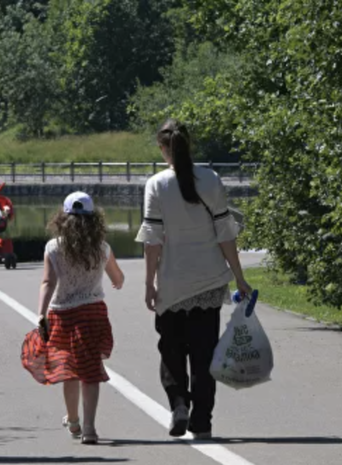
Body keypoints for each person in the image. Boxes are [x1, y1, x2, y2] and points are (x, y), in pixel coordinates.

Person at [136, 119, 252, 440]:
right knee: (204, 356)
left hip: (172, 284)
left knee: (171, 350)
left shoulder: (156, 185)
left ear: (163, 149)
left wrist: (149, 283)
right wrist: (239, 277)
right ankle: (202, 421)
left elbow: (153, 240)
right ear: (190, 144)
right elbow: (225, 234)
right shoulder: (211, 179)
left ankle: (178, 405)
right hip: (209, 282)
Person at [21, 192, 125, 445]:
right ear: (94, 220)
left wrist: (41, 314)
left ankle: (74, 420)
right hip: (93, 314)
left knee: (69, 370)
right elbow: (118, 279)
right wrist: (114, 282)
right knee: (90, 370)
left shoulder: (53, 247)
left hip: (63, 315)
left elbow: (47, 282)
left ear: (62, 218)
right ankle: (89, 428)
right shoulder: (102, 247)